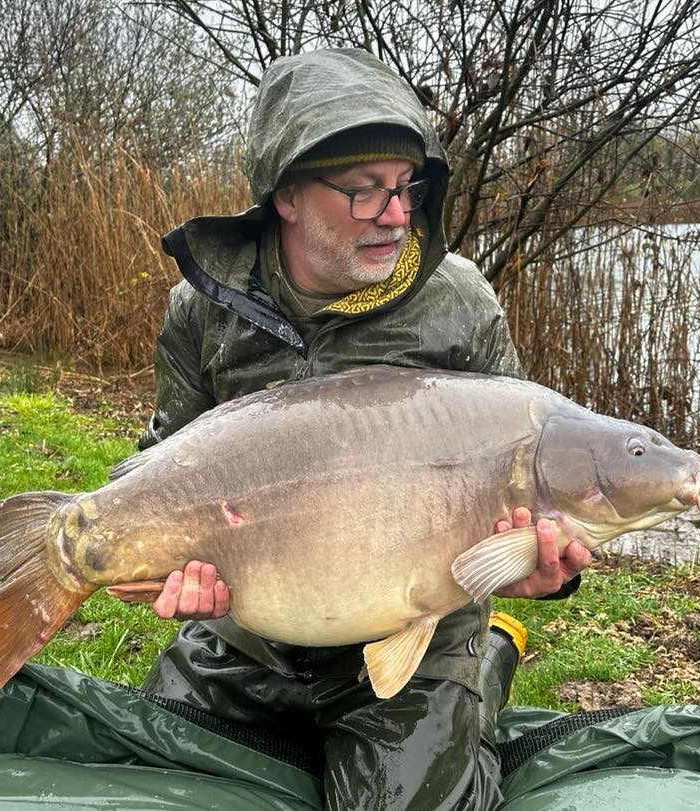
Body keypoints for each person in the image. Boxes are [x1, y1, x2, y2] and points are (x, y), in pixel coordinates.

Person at [131, 48, 591, 810]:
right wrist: (165, 567)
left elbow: (537, 477)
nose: (397, 214)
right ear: (286, 195)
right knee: (149, 785)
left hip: (419, 624)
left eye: (405, 186)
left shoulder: (460, 307)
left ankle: (486, 654)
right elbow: (160, 469)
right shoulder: (204, 308)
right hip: (248, 632)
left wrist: (550, 569)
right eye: (364, 190)